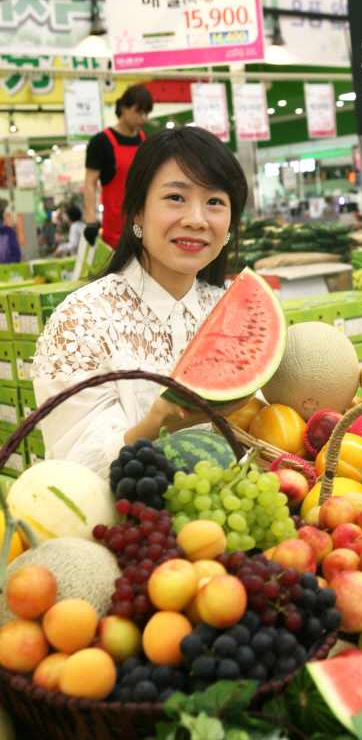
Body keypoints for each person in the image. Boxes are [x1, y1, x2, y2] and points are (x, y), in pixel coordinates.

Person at [31, 126, 248, 479]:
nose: (196, 219)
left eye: (215, 202)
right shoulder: (81, 320)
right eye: (176, 197)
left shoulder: (231, 311)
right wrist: (156, 422)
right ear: (137, 215)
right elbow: (76, 470)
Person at [84, 84, 154, 249]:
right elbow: (90, 183)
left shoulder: (147, 142)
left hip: (147, 225)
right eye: (139, 111)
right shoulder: (101, 142)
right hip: (115, 229)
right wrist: (90, 221)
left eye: (146, 113)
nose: (143, 118)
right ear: (123, 107)